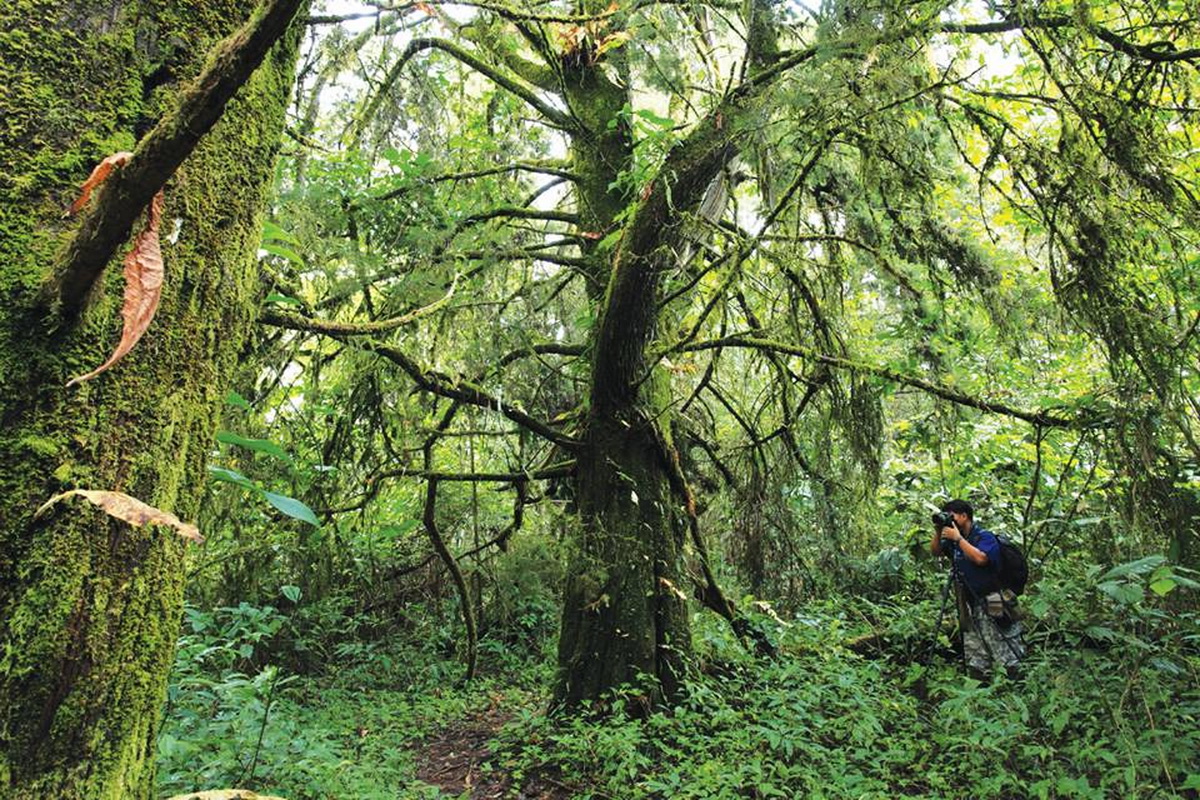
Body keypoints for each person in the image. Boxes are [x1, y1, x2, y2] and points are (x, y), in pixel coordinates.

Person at [929, 499, 1025, 677]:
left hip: (994, 597)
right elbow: (935, 552)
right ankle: (979, 681)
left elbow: (981, 559)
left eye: (952, 516)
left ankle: (1015, 680)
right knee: (975, 645)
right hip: (969, 600)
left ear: (964, 516)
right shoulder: (953, 539)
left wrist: (958, 539)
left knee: (1002, 639)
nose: (950, 519)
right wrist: (938, 530)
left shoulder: (983, 536)